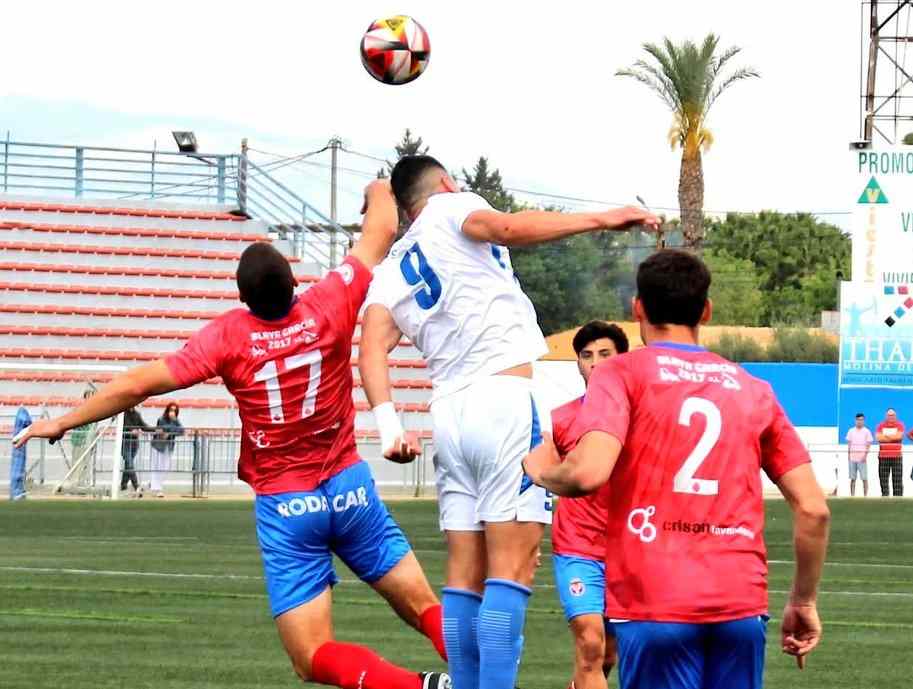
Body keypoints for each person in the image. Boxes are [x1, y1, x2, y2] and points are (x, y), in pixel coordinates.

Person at [15, 180, 451, 689]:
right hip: (350, 488)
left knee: (311, 656)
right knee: (425, 607)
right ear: (294, 283)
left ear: (243, 298)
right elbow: (380, 228)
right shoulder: (330, 300)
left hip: (288, 508)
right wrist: (378, 188)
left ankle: (420, 688)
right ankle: (482, 675)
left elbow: (137, 384)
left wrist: (63, 420)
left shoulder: (228, 336)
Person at [358, 154, 660, 689]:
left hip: (448, 413)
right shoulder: (454, 207)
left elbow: (371, 347)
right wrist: (605, 218)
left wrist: (388, 427)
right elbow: (507, 227)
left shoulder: (392, 267)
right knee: (511, 570)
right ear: (446, 184)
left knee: (462, 577)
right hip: (502, 397)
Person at [523, 250, 830, 689]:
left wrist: (541, 471)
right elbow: (814, 509)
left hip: (656, 601)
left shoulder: (622, 373)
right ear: (706, 310)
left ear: (638, 309)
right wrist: (802, 600)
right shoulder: (753, 389)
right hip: (740, 604)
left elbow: (588, 473)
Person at [550, 321, 629, 689]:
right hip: (577, 549)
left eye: (605, 354)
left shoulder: (642, 418)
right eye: (586, 356)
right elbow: (539, 475)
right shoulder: (561, 420)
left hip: (629, 551)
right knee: (590, 643)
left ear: (622, 360)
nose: (595, 363)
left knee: (608, 654)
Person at [150, 402, 185, 498]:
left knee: (165, 468)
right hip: (158, 446)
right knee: (157, 467)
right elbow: (163, 428)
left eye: (174, 411)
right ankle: (158, 489)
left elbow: (182, 431)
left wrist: (171, 431)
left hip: (168, 447)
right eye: (171, 410)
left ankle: (155, 484)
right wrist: (173, 430)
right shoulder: (161, 419)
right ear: (167, 410)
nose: (172, 412)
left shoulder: (176, 421)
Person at [121, 406, 154, 496]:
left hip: (134, 443)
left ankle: (123, 485)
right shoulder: (123, 414)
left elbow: (143, 426)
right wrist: (131, 430)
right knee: (129, 463)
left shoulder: (137, 414)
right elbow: (123, 426)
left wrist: (155, 429)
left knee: (128, 464)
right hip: (125, 442)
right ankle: (136, 486)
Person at [70, 390, 97, 488]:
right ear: (85, 398)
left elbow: (94, 428)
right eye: (89, 396)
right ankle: (74, 483)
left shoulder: (95, 410)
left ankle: (82, 483)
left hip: (88, 442)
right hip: (79, 441)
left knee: (86, 463)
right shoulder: (80, 409)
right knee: (77, 463)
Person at [877, 408, 904, 497]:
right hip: (883, 456)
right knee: (883, 479)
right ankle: (885, 497)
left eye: (892, 415)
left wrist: (886, 436)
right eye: (889, 415)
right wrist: (893, 437)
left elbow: (899, 436)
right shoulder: (881, 425)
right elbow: (878, 438)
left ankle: (898, 498)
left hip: (896, 456)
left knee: (897, 479)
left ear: (895, 416)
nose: (891, 417)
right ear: (886, 416)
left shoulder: (899, 425)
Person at [845, 413, 873, 497]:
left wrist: (865, 456)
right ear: (855, 420)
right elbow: (849, 444)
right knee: (853, 478)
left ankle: (865, 496)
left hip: (862, 458)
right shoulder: (851, 431)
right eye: (858, 420)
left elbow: (868, 445)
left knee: (864, 478)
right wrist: (849, 455)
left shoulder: (867, 431)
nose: (860, 422)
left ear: (864, 421)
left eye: (861, 420)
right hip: (852, 458)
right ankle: (852, 495)